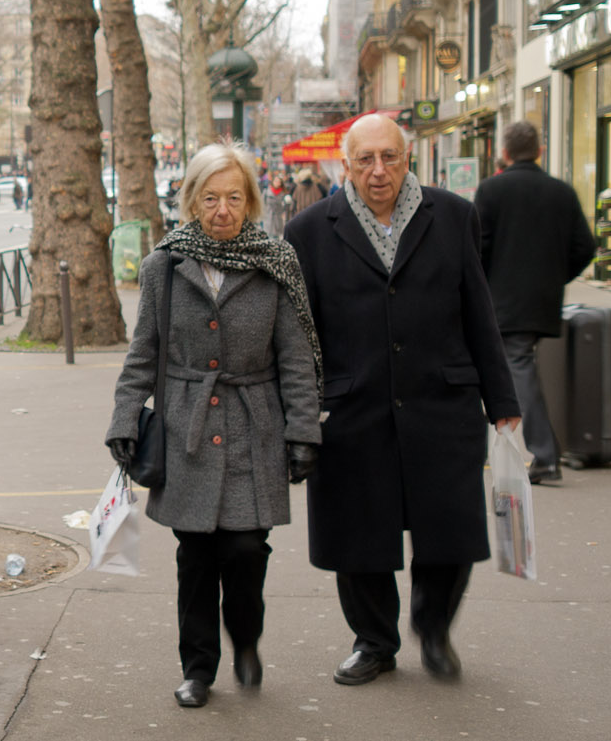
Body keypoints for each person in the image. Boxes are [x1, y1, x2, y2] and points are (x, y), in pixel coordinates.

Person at [283, 113, 520, 687]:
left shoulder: (454, 216)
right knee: (358, 535)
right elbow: (298, 334)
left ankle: (433, 628)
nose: (378, 170)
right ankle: (374, 642)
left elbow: (478, 314)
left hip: (442, 402)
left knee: (450, 529)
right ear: (347, 166)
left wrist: (503, 400)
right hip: (352, 407)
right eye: (365, 159)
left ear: (408, 158)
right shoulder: (309, 232)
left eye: (389, 156)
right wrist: (296, 415)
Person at [105, 144, 321, 708]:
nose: (222, 209)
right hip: (188, 428)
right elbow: (142, 354)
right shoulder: (164, 266)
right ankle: (198, 668)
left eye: (233, 197)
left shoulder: (277, 262)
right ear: (191, 201)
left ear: (249, 199)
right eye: (210, 198)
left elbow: (296, 358)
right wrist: (125, 419)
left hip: (256, 425)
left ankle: (245, 638)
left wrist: (304, 432)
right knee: (196, 557)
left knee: (246, 550)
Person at [473, 121, 597, 484]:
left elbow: (476, 248)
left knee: (517, 368)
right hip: (543, 300)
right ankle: (540, 451)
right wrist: (555, 278)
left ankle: (545, 456)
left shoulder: (492, 190)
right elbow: (585, 248)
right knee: (520, 366)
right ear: (539, 151)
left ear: (505, 153)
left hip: (503, 302)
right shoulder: (561, 191)